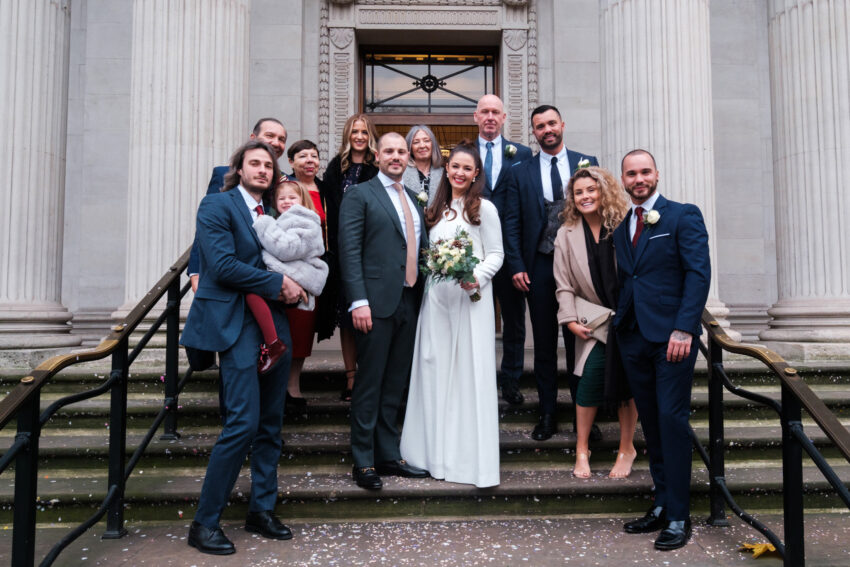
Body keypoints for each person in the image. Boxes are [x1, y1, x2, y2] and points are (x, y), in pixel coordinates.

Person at [181, 139, 305, 555]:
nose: (262, 171)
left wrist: (302, 280)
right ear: (239, 168)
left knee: (271, 424)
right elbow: (222, 265)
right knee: (242, 424)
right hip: (236, 325)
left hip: (275, 326)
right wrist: (278, 283)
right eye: (255, 164)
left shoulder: (273, 212)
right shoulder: (216, 206)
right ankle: (204, 523)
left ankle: (261, 510)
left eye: (268, 166)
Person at [614, 149, 710, 551]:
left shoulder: (682, 215)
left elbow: (698, 272)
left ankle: (678, 516)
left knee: (671, 422)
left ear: (657, 174)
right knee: (650, 423)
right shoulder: (622, 228)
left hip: (672, 340)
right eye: (631, 174)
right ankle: (660, 502)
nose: (639, 179)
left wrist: (685, 328)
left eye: (645, 172)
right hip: (634, 338)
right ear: (623, 179)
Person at [400, 141, 504, 488]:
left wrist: (478, 277)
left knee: (467, 374)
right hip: (437, 302)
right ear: (448, 170)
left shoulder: (483, 209)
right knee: (434, 370)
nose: (460, 173)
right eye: (455, 167)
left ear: (476, 174)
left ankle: (466, 461)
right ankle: (431, 455)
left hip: (470, 300)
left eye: (467, 168)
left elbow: (496, 253)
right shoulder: (435, 209)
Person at [338, 132, 430, 490]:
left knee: (395, 383)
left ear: (408, 157)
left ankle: (388, 453)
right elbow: (349, 250)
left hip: (410, 300)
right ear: (377, 156)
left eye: (401, 152)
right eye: (389, 151)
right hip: (374, 305)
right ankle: (363, 462)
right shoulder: (360, 195)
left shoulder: (414, 199)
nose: (396, 157)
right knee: (370, 383)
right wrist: (358, 301)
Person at [502, 105, 598, 441]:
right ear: (535, 132)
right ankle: (546, 414)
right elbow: (511, 222)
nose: (547, 130)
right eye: (540, 126)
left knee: (580, 343)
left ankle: (583, 414)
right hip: (539, 267)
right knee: (543, 344)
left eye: (552, 123)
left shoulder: (588, 163)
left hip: (581, 268)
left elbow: (599, 216)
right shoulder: (519, 172)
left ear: (563, 124)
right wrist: (516, 265)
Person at [553, 166, 639, 479]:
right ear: (572, 199)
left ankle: (627, 448)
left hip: (628, 320)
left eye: (591, 190)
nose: (585, 196)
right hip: (593, 322)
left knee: (626, 386)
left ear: (603, 192)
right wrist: (571, 320)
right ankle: (581, 448)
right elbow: (563, 285)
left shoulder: (625, 226)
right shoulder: (566, 233)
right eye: (579, 193)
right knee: (588, 381)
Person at [473, 94, 533, 407]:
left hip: (511, 254)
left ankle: (511, 381)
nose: (490, 117)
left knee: (514, 320)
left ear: (505, 117)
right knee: (474, 317)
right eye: (485, 112)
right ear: (476, 117)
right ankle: (478, 380)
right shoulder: (464, 153)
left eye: (496, 112)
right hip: (474, 253)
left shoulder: (522, 153)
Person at [188, 117, 288, 293]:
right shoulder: (223, 175)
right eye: (270, 135)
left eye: (281, 139)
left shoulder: (285, 183)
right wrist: (196, 270)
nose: (276, 142)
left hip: (265, 281)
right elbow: (207, 229)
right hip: (232, 273)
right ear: (253, 137)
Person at [322, 114, 380, 401]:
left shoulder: (377, 167)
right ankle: (350, 379)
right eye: (355, 131)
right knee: (347, 318)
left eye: (364, 132)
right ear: (348, 135)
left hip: (371, 251)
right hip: (341, 252)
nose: (359, 136)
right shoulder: (336, 168)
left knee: (369, 317)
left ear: (370, 135)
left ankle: (369, 376)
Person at [250, 180, 328, 376]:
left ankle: (273, 346)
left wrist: (263, 224)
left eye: (292, 198)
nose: (286, 201)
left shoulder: (306, 220)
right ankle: (271, 347)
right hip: (286, 279)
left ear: (303, 200)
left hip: (298, 280)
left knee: (251, 292)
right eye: (281, 198)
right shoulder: (282, 220)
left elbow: (287, 249)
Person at [283, 140, 327, 413]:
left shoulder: (325, 190)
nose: (309, 160)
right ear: (291, 162)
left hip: (313, 271)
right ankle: (280, 386)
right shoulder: (284, 188)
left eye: (314, 156)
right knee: (284, 330)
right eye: (302, 156)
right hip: (286, 270)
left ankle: (294, 384)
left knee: (303, 330)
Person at [402, 124, 443, 205]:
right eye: (416, 142)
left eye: (426, 141)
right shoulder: (401, 173)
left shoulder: (444, 174)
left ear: (433, 145)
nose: (422, 145)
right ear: (409, 147)